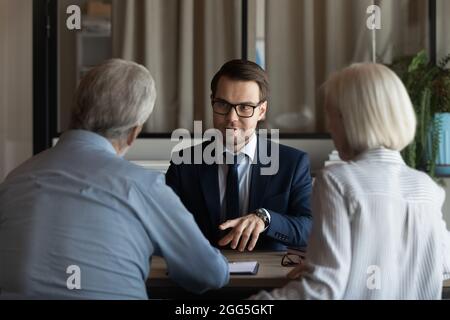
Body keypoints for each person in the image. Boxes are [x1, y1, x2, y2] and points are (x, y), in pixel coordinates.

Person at [0, 59, 229, 299]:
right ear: (133, 133)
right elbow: (209, 274)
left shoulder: (14, 180)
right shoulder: (143, 186)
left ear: (76, 110)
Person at [251, 63, 450, 299]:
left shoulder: (336, 182)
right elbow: (443, 265)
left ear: (350, 119)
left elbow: (322, 292)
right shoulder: (427, 187)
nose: (330, 127)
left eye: (331, 115)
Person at [166, 60, 312, 252]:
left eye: (245, 107)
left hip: (267, 278)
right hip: (203, 276)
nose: (231, 118)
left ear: (261, 111)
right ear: (212, 103)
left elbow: (310, 229)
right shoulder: (183, 163)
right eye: (223, 104)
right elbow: (163, 225)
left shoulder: (292, 164)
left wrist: (266, 219)